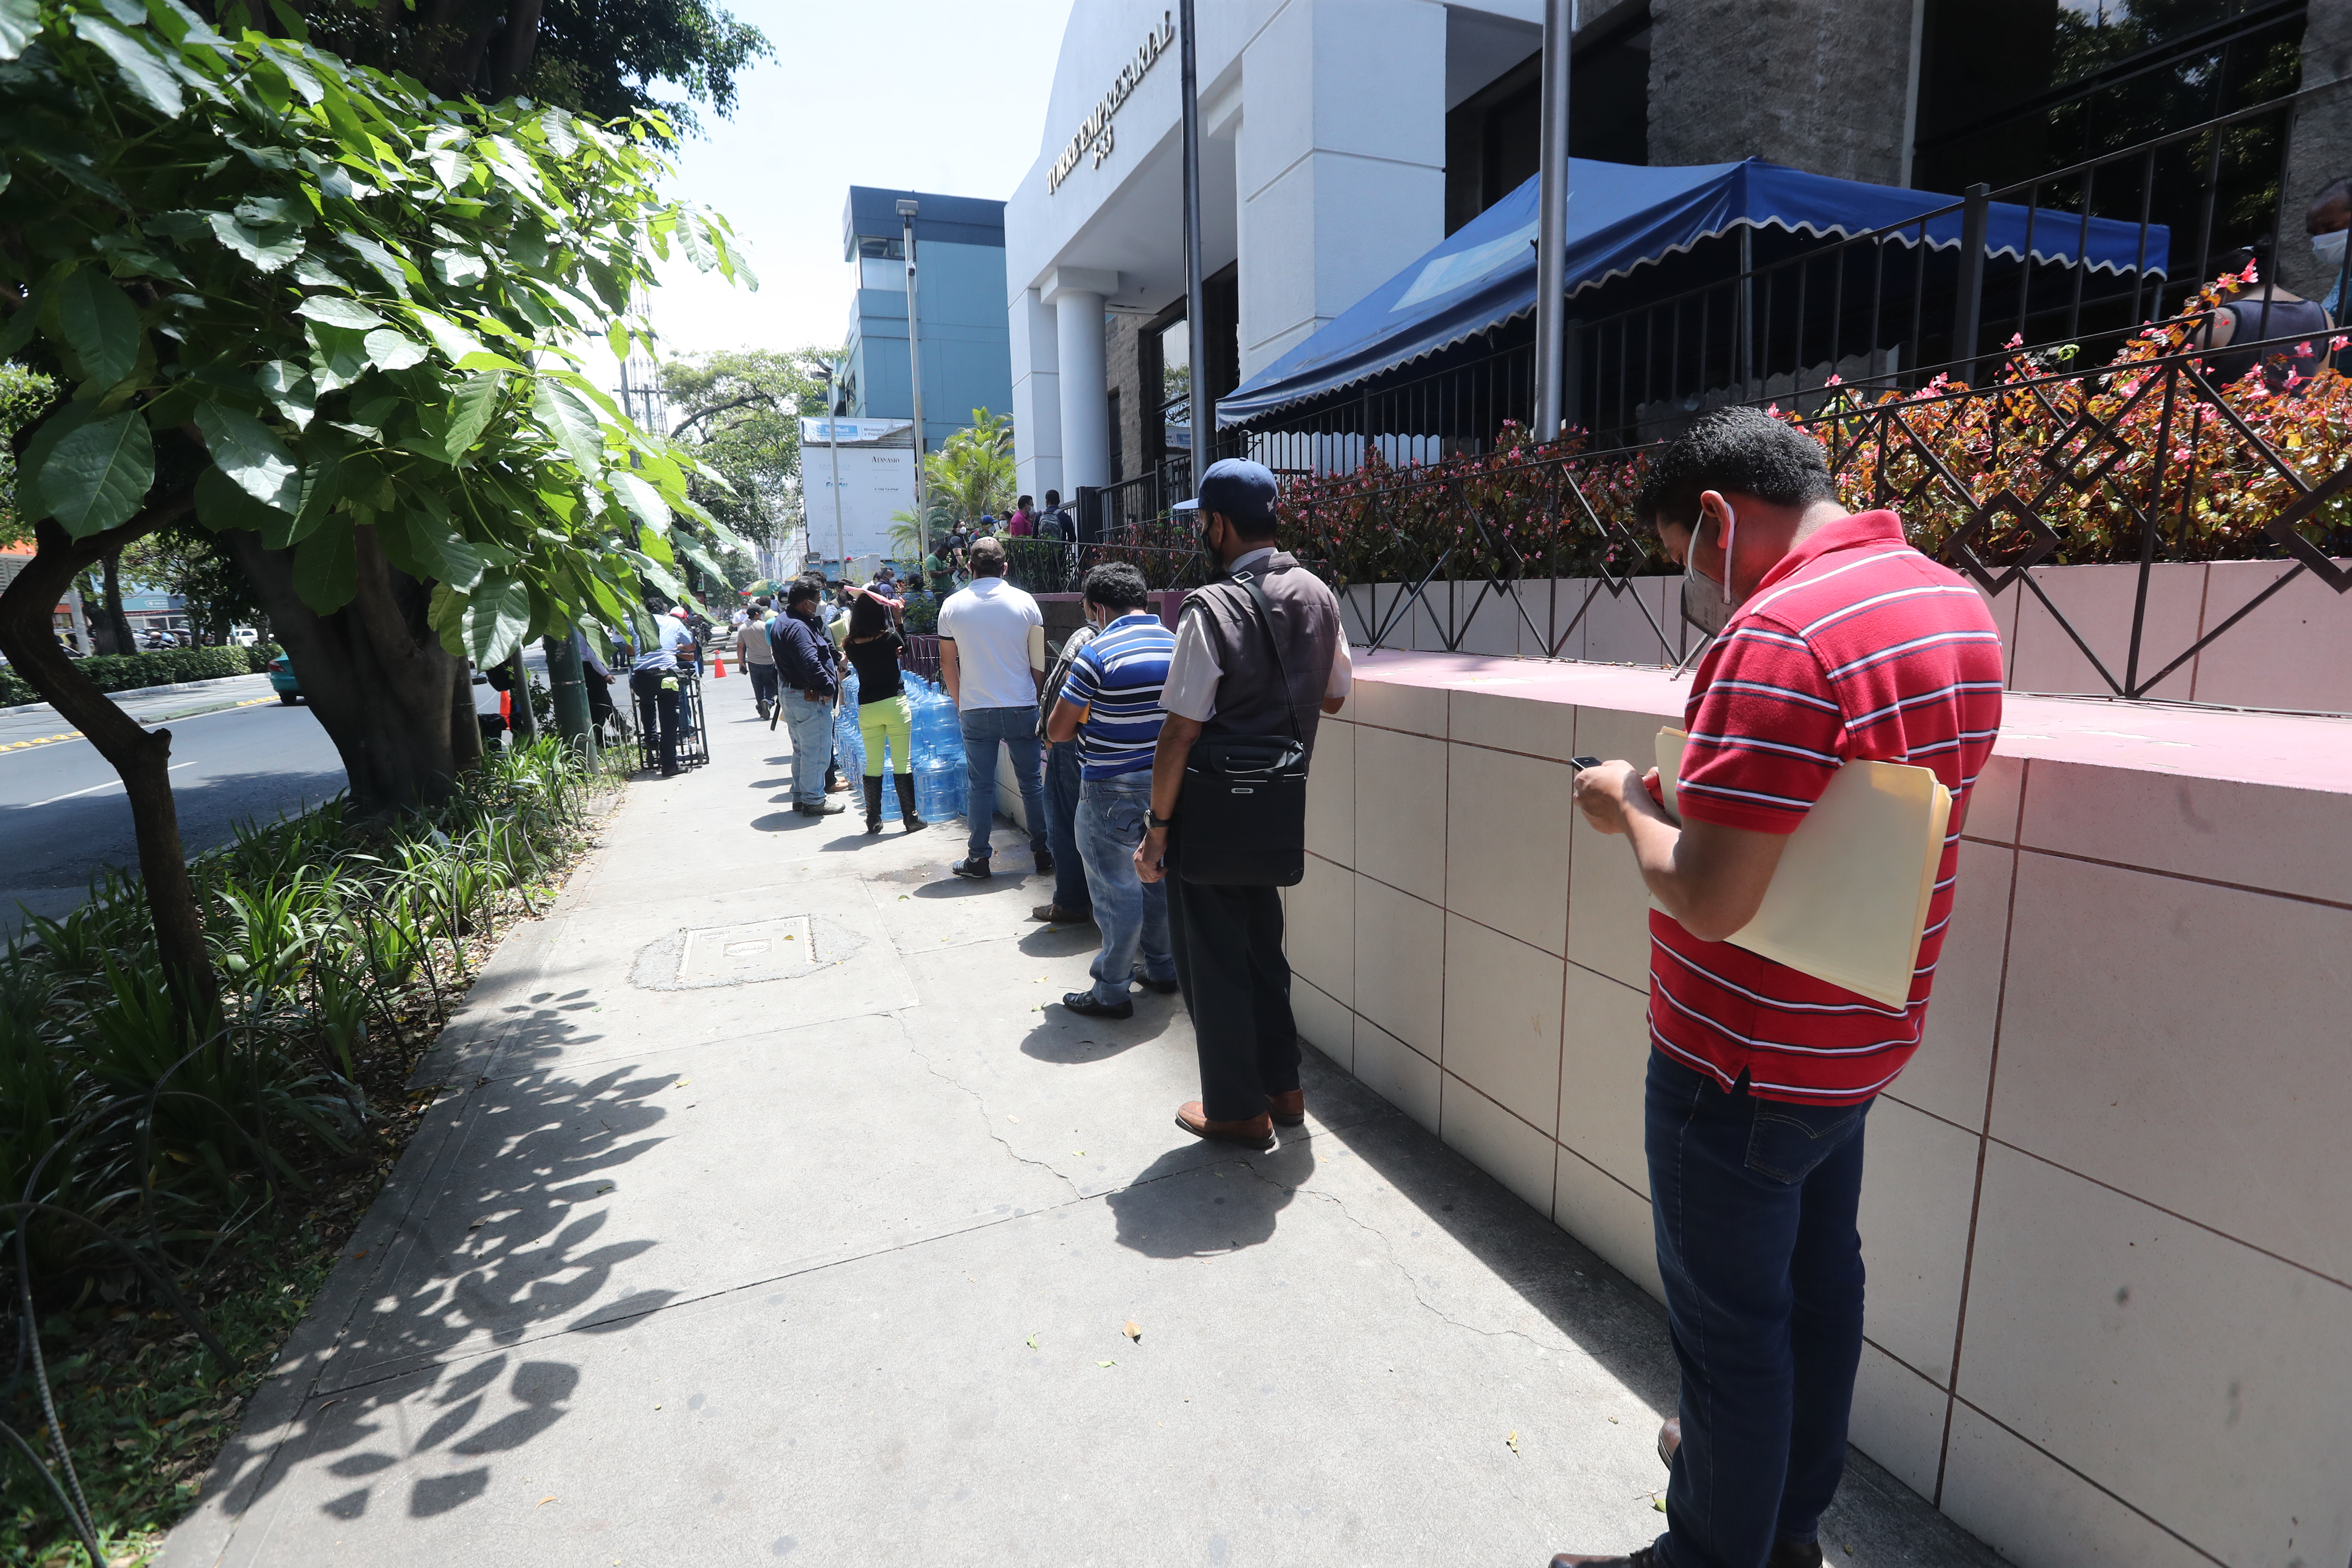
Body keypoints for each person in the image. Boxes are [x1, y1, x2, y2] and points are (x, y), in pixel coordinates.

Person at [1549, 408, 2003, 1568]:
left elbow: (1707, 898)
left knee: (1729, 1335)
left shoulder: (1781, 637)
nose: (1692, 589)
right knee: (1816, 1294)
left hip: (1733, 1058)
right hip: (1856, 1038)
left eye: (1681, 559)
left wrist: (1627, 807)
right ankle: (1787, 1528)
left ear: (1716, 519)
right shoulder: (1953, 605)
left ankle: (1710, 1550)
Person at [1133, 458, 1351, 1149]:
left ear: (1218, 523)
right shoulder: (1319, 593)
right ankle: (1285, 1091)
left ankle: (1237, 1110)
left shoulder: (1211, 606)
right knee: (1263, 951)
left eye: (1202, 522)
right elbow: (1338, 691)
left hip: (1212, 813)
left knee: (1215, 964)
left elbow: (1179, 731)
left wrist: (1157, 829)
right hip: (1281, 807)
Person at [1047, 563, 1178, 1017]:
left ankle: (1111, 991)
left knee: (1116, 890)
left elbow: (1059, 730)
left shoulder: (1098, 652)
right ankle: (1163, 968)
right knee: (1157, 879)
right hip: (1168, 789)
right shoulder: (1177, 645)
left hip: (1109, 790)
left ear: (1097, 608)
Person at [936, 535, 1050, 880]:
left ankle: (979, 859)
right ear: (1005, 568)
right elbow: (1038, 662)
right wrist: (1034, 695)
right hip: (1022, 705)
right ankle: (1044, 852)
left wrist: (961, 704)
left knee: (980, 786)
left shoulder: (952, 607)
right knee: (1032, 783)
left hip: (976, 708)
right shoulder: (1026, 602)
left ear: (969, 567)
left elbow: (947, 664)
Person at [1029, 613, 1099, 926]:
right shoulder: (1159, 639)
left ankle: (1071, 901)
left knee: (1064, 817)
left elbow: (1058, 684)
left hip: (1075, 739)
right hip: (1129, 750)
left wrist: (1047, 731)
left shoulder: (1086, 637)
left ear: (1093, 605)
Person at [2192, 240, 2336, 390]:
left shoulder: (2219, 318)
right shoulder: (2322, 316)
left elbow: (2177, 390)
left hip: (2229, 412)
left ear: (2224, 287)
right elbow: (2320, 388)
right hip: (2297, 413)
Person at [843, 587, 925, 836]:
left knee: (874, 764)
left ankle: (873, 819)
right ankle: (910, 819)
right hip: (895, 705)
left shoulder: (850, 645)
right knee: (903, 762)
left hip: (868, 707)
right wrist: (899, 619)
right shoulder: (890, 638)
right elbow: (906, 649)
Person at [768, 582, 846, 817]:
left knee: (802, 750)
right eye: (817, 600)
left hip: (793, 694)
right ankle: (814, 801)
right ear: (805, 603)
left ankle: (801, 796)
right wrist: (829, 686)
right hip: (808, 696)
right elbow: (810, 663)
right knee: (817, 752)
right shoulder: (798, 627)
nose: (820, 605)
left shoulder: (785, 620)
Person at [629, 606, 696, 776]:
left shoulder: (637, 623)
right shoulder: (674, 622)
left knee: (646, 702)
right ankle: (669, 766)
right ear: (665, 611)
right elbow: (690, 647)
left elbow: (629, 650)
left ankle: (651, 739)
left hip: (641, 676)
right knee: (669, 720)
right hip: (666, 676)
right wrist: (675, 647)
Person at [738, 596, 778, 721]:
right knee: (771, 685)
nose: (761, 615)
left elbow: (740, 647)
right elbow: (774, 643)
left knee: (758, 686)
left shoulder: (743, 628)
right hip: (768, 661)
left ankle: (761, 707)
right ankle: (769, 702)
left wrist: (742, 663)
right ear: (756, 615)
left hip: (753, 662)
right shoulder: (765, 626)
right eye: (761, 613)